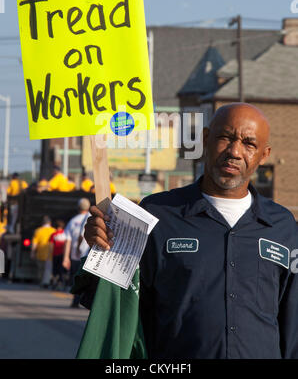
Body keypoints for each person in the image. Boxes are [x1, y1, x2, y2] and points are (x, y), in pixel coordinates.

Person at [83, 103, 298, 359]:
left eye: (249, 143)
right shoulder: (157, 213)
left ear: (264, 155)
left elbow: (293, 322)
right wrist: (102, 247)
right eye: (225, 138)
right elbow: (117, 304)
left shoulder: (282, 226)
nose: (235, 151)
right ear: (206, 139)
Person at [63, 198, 91, 307]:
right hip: (88, 255)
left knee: (77, 279)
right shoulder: (91, 218)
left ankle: (76, 301)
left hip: (76, 256)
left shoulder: (72, 221)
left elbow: (68, 241)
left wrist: (66, 257)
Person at [31, 215, 56, 288]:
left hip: (40, 254)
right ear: (50, 222)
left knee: (40, 269)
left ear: (42, 222)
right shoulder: (54, 230)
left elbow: (34, 243)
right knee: (48, 269)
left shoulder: (38, 230)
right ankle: (47, 282)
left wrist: (32, 252)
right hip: (50, 254)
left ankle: (41, 282)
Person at [49, 219, 67, 290]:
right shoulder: (65, 234)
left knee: (55, 269)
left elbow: (51, 245)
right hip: (63, 254)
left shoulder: (53, 234)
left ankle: (54, 282)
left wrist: (50, 254)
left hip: (55, 254)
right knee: (61, 269)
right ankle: (61, 282)